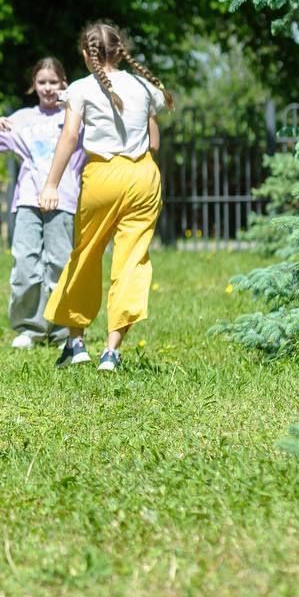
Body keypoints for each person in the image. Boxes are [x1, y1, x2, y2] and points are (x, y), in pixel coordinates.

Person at [39, 21, 174, 372]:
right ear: (120, 51)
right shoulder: (144, 86)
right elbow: (154, 143)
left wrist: (51, 184)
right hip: (144, 176)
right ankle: (111, 353)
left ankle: (77, 343)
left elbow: (70, 137)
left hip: (103, 176)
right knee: (131, 262)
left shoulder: (82, 89)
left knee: (85, 255)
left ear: (87, 55)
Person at [0, 57, 85, 349]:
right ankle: (30, 327)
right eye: (42, 82)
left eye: (53, 82)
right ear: (33, 85)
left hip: (63, 199)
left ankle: (63, 330)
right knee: (25, 264)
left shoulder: (76, 116)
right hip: (27, 200)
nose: (48, 88)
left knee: (59, 265)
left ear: (64, 83)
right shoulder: (23, 118)